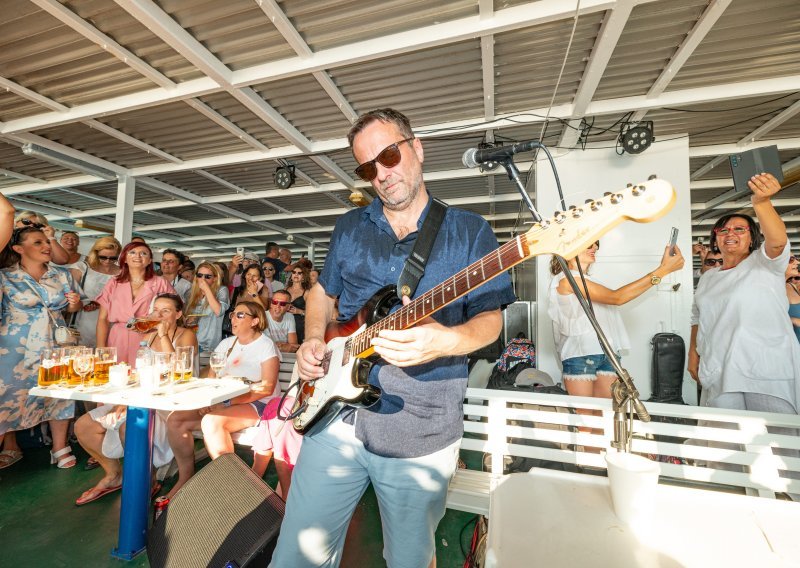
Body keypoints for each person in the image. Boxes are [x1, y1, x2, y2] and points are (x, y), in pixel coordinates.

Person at [270, 108, 515, 568]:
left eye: (388, 155)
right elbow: (323, 291)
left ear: (416, 148)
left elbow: (491, 321)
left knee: (408, 559)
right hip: (334, 418)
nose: (381, 174)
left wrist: (445, 341)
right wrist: (312, 337)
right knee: (295, 557)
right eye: (367, 168)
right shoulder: (350, 227)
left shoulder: (469, 231)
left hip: (418, 428)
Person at [688, 173, 800, 416]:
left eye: (740, 229)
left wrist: (761, 203)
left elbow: (778, 242)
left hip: (765, 369)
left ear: (752, 238)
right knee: (727, 440)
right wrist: (693, 355)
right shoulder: (708, 278)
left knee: (780, 440)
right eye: (723, 230)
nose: (731, 234)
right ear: (715, 239)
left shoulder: (764, 263)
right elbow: (698, 318)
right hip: (721, 367)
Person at [73, 293, 195, 505]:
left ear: (178, 314)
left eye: (165, 311)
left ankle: (147, 479)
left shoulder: (186, 335)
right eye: (156, 310)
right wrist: (124, 401)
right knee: (83, 426)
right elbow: (141, 372)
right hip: (143, 397)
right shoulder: (148, 336)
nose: (159, 315)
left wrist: (164, 335)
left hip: (169, 403)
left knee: (128, 429)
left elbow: (176, 370)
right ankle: (114, 474)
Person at [164, 301, 282, 501]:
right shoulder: (226, 344)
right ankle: (185, 477)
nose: (233, 318)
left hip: (259, 403)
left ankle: (231, 482)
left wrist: (228, 403)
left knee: (212, 421)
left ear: (255, 321)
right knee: (175, 419)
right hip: (223, 402)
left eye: (240, 315)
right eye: (233, 314)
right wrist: (207, 401)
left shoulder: (265, 345)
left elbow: (266, 387)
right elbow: (211, 378)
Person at [548, 240, 684, 400]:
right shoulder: (566, 279)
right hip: (581, 354)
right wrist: (662, 271)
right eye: (589, 244)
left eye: (596, 244)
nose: (595, 248)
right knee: (586, 418)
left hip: (607, 353)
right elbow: (616, 297)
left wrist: (662, 271)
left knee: (605, 414)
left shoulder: (591, 281)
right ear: (569, 249)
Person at [0, 225, 83, 470]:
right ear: (18, 248)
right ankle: (8, 445)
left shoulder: (61, 275)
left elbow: (72, 310)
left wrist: (74, 305)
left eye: (46, 241)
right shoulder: (5, 276)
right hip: (14, 348)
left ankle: (59, 447)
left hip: (56, 343)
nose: (47, 246)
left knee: (59, 394)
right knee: (6, 398)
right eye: (38, 242)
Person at [95, 241, 175, 365]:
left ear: (150, 260)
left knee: (145, 376)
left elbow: (173, 312)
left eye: (143, 253)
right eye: (132, 252)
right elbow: (102, 318)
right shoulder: (114, 282)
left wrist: (150, 323)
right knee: (117, 376)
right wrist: (100, 348)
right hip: (118, 338)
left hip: (149, 337)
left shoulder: (161, 283)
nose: (137, 256)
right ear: (125, 259)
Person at [73, 237, 122, 348]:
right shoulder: (82, 268)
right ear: (95, 253)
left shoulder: (122, 272)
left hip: (112, 321)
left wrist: (101, 303)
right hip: (84, 320)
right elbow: (69, 295)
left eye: (112, 258)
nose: (107, 261)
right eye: (103, 257)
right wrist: (84, 303)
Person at [183, 262, 230, 353]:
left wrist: (206, 289)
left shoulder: (222, 290)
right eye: (200, 275)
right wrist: (187, 320)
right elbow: (184, 315)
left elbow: (219, 311)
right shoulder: (190, 293)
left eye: (207, 276)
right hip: (191, 341)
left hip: (210, 344)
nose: (202, 279)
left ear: (215, 278)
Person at [285, 265, 311, 342]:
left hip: (299, 325)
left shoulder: (307, 293)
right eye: (294, 272)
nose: (296, 274)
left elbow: (314, 313)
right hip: (286, 323)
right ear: (291, 275)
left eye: (299, 273)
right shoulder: (285, 290)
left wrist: (299, 311)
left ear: (303, 277)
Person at [787, 255, 800, 342]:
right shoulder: (773, 290)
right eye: (791, 259)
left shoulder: (791, 286)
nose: (797, 262)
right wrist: (792, 320)